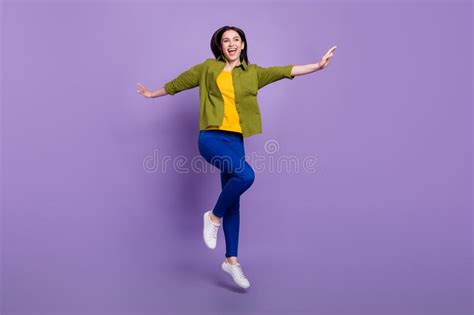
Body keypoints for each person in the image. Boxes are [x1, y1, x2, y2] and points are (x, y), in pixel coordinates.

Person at [137, 25, 336, 289]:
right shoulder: (208, 68)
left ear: (243, 45)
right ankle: (213, 217)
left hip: (235, 141)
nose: (231, 44)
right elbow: (179, 83)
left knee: (235, 201)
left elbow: (285, 71)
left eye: (236, 39)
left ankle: (231, 261)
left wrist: (317, 66)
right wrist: (152, 93)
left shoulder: (253, 73)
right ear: (220, 46)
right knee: (246, 175)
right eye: (225, 40)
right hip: (210, 137)